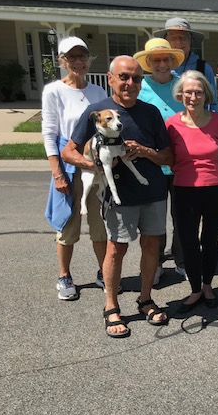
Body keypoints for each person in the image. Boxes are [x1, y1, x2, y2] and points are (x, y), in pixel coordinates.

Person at [61, 56, 174, 338]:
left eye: (136, 78)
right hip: (118, 197)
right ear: (110, 79)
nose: (130, 83)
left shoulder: (150, 113)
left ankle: (145, 298)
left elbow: (169, 156)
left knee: (152, 247)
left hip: (153, 192)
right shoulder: (97, 111)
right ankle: (111, 307)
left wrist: (146, 151)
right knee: (116, 249)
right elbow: (69, 151)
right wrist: (94, 165)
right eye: (124, 77)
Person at [42, 36, 108, 300]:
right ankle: (64, 275)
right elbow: (49, 134)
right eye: (72, 57)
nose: (79, 62)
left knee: (99, 224)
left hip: (95, 166)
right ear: (62, 61)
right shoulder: (54, 91)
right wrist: (57, 173)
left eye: (82, 56)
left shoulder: (98, 92)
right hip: (68, 166)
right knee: (68, 224)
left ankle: (105, 272)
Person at [166, 71, 218, 312]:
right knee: (189, 242)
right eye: (188, 92)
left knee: (210, 240)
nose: (193, 97)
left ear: (206, 95)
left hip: (216, 190)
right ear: (180, 94)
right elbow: (169, 156)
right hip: (184, 190)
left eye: (198, 92)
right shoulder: (171, 123)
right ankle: (194, 289)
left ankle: (207, 285)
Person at [134, 37, 187, 284]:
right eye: (156, 60)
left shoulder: (183, 86)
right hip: (151, 162)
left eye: (166, 59)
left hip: (180, 162)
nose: (162, 64)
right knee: (154, 218)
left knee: (182, 215)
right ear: (149, 63)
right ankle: (154, 262)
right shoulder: (140, 87)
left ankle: (182, 259)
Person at [154, 17, 218, 112]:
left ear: (190, 40)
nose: (178, 42)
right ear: (166, 41)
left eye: (183, 38)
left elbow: (212, 104)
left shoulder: (203, 68)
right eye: (173, 38)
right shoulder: (160, 67)